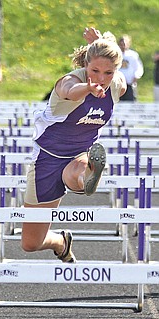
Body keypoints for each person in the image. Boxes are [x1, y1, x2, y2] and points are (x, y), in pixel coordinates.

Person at [21, 29, 126, 263]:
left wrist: (104, 43)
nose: (101, 78)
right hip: (46, 158)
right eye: (95, 71)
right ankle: (60, 241)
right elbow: (70, 92)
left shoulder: (117, 85)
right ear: (85, 65)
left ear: (116, 72)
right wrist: (88, 89)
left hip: (80, 153)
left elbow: (117, 75)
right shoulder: (70, 81)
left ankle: (88, 175)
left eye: (108, 72)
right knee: (30, 243)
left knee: (75, 175)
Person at [117, 34, 143, 102]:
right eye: (121, 44)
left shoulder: (133, 55)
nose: (123, 46)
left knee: (130, 102)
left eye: (125, 44)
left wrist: (136, 76)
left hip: (129, 83)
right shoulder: (115, 54)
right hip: (118, 84)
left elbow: (139, 67)